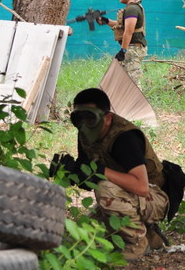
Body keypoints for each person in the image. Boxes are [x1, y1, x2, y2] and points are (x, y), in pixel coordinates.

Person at [53, 88, 169, 260]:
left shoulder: (125, 138)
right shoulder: (87, 134)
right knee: (80, 241)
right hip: (122, 196)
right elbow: (90, 178)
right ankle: (151, 237)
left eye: (90, 117)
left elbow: (142, 187)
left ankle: (137, 243)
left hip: (154, 198)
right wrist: (71, 173)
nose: (84, 124)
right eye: (79, 118)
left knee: (105, 188)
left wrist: (101, 171)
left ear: (107, 118)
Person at [100, 0, 147, 88]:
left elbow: (128, 31)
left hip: (133, 48)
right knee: (125, 79)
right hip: (133, 47)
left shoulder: (132, 9)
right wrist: (106, 21)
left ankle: (136, 99)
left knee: (132, 81)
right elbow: (122, 26)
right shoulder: (132, 7)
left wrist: (123, 50)